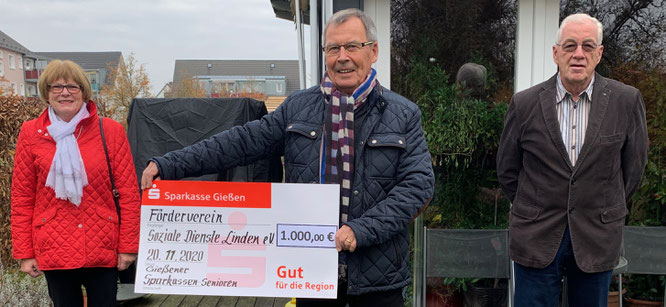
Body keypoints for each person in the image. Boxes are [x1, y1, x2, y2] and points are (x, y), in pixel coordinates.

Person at [141, 8, 434, 307]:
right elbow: (241, 142)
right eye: (333, 48)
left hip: (378, 281)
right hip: (311, 275)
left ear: (373, 51)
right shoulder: (297, 107)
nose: (342, 56)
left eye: (352, 46)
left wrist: (362, 229)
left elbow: (417, 186)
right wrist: (170, 164)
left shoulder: (403, 114)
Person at [497, 13, 648, 307]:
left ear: (599, 54)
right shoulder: (524, 104)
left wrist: (601, 202)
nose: (578, 54)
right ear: (556, 53)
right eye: (570, 46)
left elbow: (633, 169)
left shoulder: (626, 101)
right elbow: (507, 171)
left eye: (588, 46)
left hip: (597, 234)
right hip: (537, 233)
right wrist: (535, 205)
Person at [11, 60, 141, 307]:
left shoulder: (110, 131)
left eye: (72, 86)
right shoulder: (30, 133)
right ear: (46, 93)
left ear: (84, 91)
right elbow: (22, 197)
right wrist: (25, 253)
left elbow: (129, 194)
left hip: (102, 244)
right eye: (56, 87)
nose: (65, 92)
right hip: (53, 244)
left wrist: (128, 246)